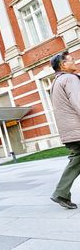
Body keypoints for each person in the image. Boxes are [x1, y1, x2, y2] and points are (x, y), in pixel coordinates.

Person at [49, 51, 80, 209]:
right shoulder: (70, 78)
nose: (75, 62)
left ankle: (61, 193)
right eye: (72, 60)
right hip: (77, 129)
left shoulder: (55, 82)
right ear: (63, 65)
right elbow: (78, 102)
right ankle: (60, 193)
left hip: (69, 131)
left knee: (77, 160)